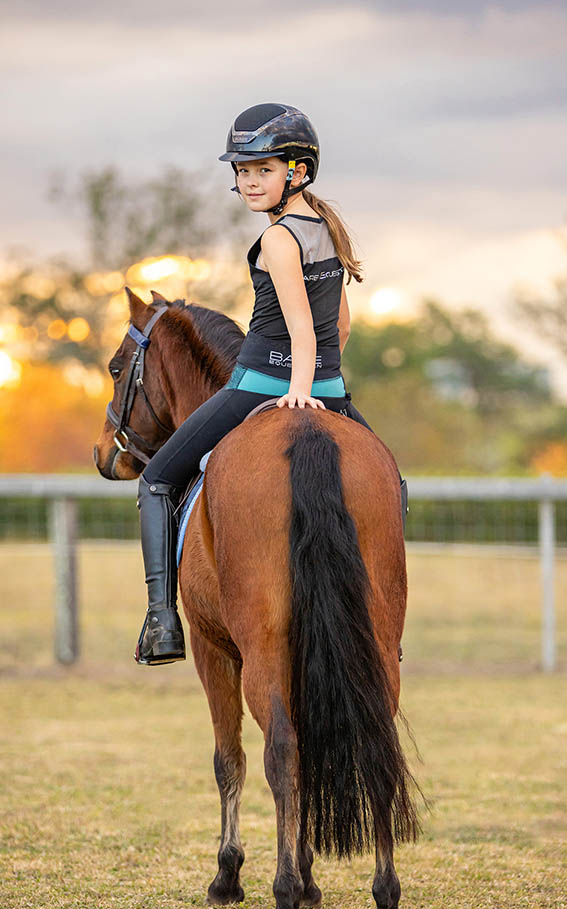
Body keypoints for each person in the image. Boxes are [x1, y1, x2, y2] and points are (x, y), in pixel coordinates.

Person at [134, 101, 391, 667]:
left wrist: (296, 390)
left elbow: (302, 326)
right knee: (389, 483)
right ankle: (381, 623)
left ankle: (162, 623)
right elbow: (339, 325)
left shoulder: (278, 239)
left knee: (154, 480)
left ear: (297, 171)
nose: (249, 181)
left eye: (263, 169)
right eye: (242, 171)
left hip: (261, 383)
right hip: (332, 390)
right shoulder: (326, 227)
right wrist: (322, 385)